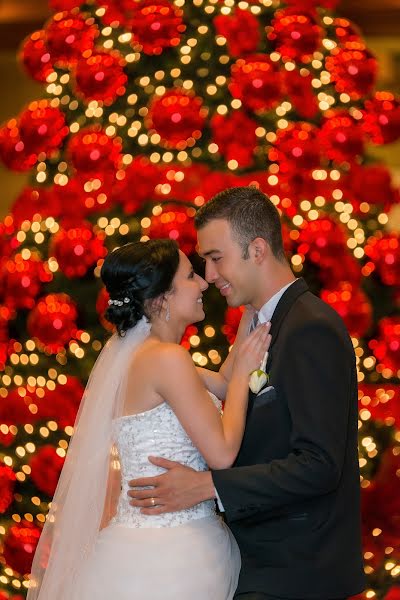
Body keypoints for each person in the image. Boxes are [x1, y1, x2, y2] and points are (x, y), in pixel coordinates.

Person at [128, 186, 366, 600]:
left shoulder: (310, 327)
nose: (208, 275)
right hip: (254, 562)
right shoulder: (257, 323)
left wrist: (208, 486)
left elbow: (320, 464)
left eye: (216, 258)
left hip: (296, 571)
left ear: (257, 250)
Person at [27, 238, 271, 600]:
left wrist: (250, 316)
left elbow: (219, 386)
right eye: (191, 276)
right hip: (174, 553)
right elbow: (222, 454)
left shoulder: (142, 357)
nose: (204, 284)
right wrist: (243, 376)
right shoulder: (167, 359)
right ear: (161, 299)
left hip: (137, 544)